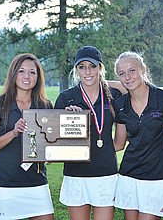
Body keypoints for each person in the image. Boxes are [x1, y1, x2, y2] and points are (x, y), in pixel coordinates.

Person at [54, 46, 126, 220]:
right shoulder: (66, 98)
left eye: (92, 66)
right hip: (75, 174)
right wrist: (67, 119)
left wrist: (106, 83)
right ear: (76, 70)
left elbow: (119, 143)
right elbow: (55, 143)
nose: (87, 71)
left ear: (100, 68)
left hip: (106, 173)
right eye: (82, 67)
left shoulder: (113, 95)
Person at [0, 53, 54, 220]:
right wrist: (13, 133)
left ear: (38, 77)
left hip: (37, 182)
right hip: (6, 184)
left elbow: (51, 143)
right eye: (21, 71)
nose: (27, 76)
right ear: (13, 74)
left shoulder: (45, 105)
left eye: (32, 72)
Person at [112, 51, 163, 220]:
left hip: (157, 177)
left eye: (132, 71)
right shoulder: (120, 105)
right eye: (122, 74)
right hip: (128, 174)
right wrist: (84, 148)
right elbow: (118, 144)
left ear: (143, 70)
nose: (128, 77)